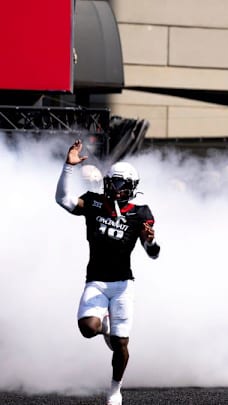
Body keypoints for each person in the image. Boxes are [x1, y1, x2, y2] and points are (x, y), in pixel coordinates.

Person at [55, 140, 161, 405]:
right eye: (110, 181)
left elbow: (154, 253)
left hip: (123, 285)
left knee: (121, 344)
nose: (112, 187)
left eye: (118, 183)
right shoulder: (93, 203)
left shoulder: (140, 213)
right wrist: (68, 166)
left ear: (131, 187)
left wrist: (150, 240)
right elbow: (63, 200)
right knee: (88, 329)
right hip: (97, 281)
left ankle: (115, 389)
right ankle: (103, 325)